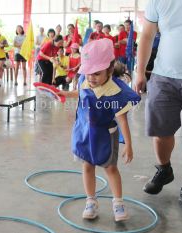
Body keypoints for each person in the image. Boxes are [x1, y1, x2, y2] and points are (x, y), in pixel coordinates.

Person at [59, 39, 140, 221]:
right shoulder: (84, 80)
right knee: (87, 166)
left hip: (106, 135)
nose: (91, 78)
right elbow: (81, 93)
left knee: (110, 167)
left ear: (109, 70)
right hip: (85, 131)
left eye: (96, 73)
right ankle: (91, 201)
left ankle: (118, 203)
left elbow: (122, 120)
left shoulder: (115, 92)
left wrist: (128, 144)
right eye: (88, 73)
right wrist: (66, 94)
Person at [136, 0, 182, 215]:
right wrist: (140, 72)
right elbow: (146, 35)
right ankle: (164, 170)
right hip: (164, 78)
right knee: (161, 133)